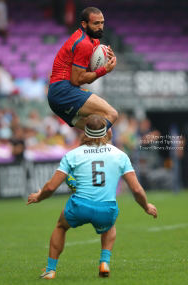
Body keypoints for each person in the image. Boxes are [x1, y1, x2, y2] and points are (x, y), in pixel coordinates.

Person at [26, 115, 158, 279]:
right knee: (110, 225)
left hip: (80, 205)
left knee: (61, 226)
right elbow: (137, 190)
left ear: (84, 131)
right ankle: (104, 263)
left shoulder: (72, 155)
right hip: (106, 208)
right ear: (107, 132)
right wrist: (146, 206)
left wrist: (39, 197)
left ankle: (50, 270)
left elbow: (51, 186)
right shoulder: (120, 155)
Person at [48, 7, 117, 190]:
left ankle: (76, 173)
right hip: (64, 90)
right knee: (111, 113)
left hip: (57, 95)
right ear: (84, 24)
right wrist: (104, 70)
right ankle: (78, 165)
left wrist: (105, 61)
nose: (100, 26)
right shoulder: (84, 43)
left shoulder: (93, 40)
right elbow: (77, 79)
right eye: (96, 23)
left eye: (102, 22)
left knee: (106, 133)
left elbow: (86, 70)